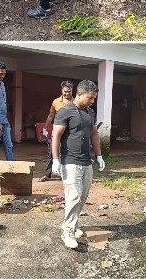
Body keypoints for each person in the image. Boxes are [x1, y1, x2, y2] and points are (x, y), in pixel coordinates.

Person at [51, 80, 105, 249]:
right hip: (70, 161)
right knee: (73, 197)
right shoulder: (65, 112)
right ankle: (67, 231)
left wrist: (99, 155)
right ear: (79, 94)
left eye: (94, 98)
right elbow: (56, 136)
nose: (92, 101)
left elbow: (94, 134)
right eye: (90, 98)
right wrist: (55, 159)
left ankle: (72, 226)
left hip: (86, 161)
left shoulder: (89, 112)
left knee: (82, 197)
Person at [39, 80, 74, 182]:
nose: (67, 94)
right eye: (65, 91)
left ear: (72, 90)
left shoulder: (75, 102)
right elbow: (51, 115)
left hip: (70, 133)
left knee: (68, 153)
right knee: (51, 153)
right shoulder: (56, 102)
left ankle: (67, 175)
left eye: (69, 92)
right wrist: (46, 126)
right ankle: (48, 174)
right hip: (57, 132)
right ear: (62, 90)